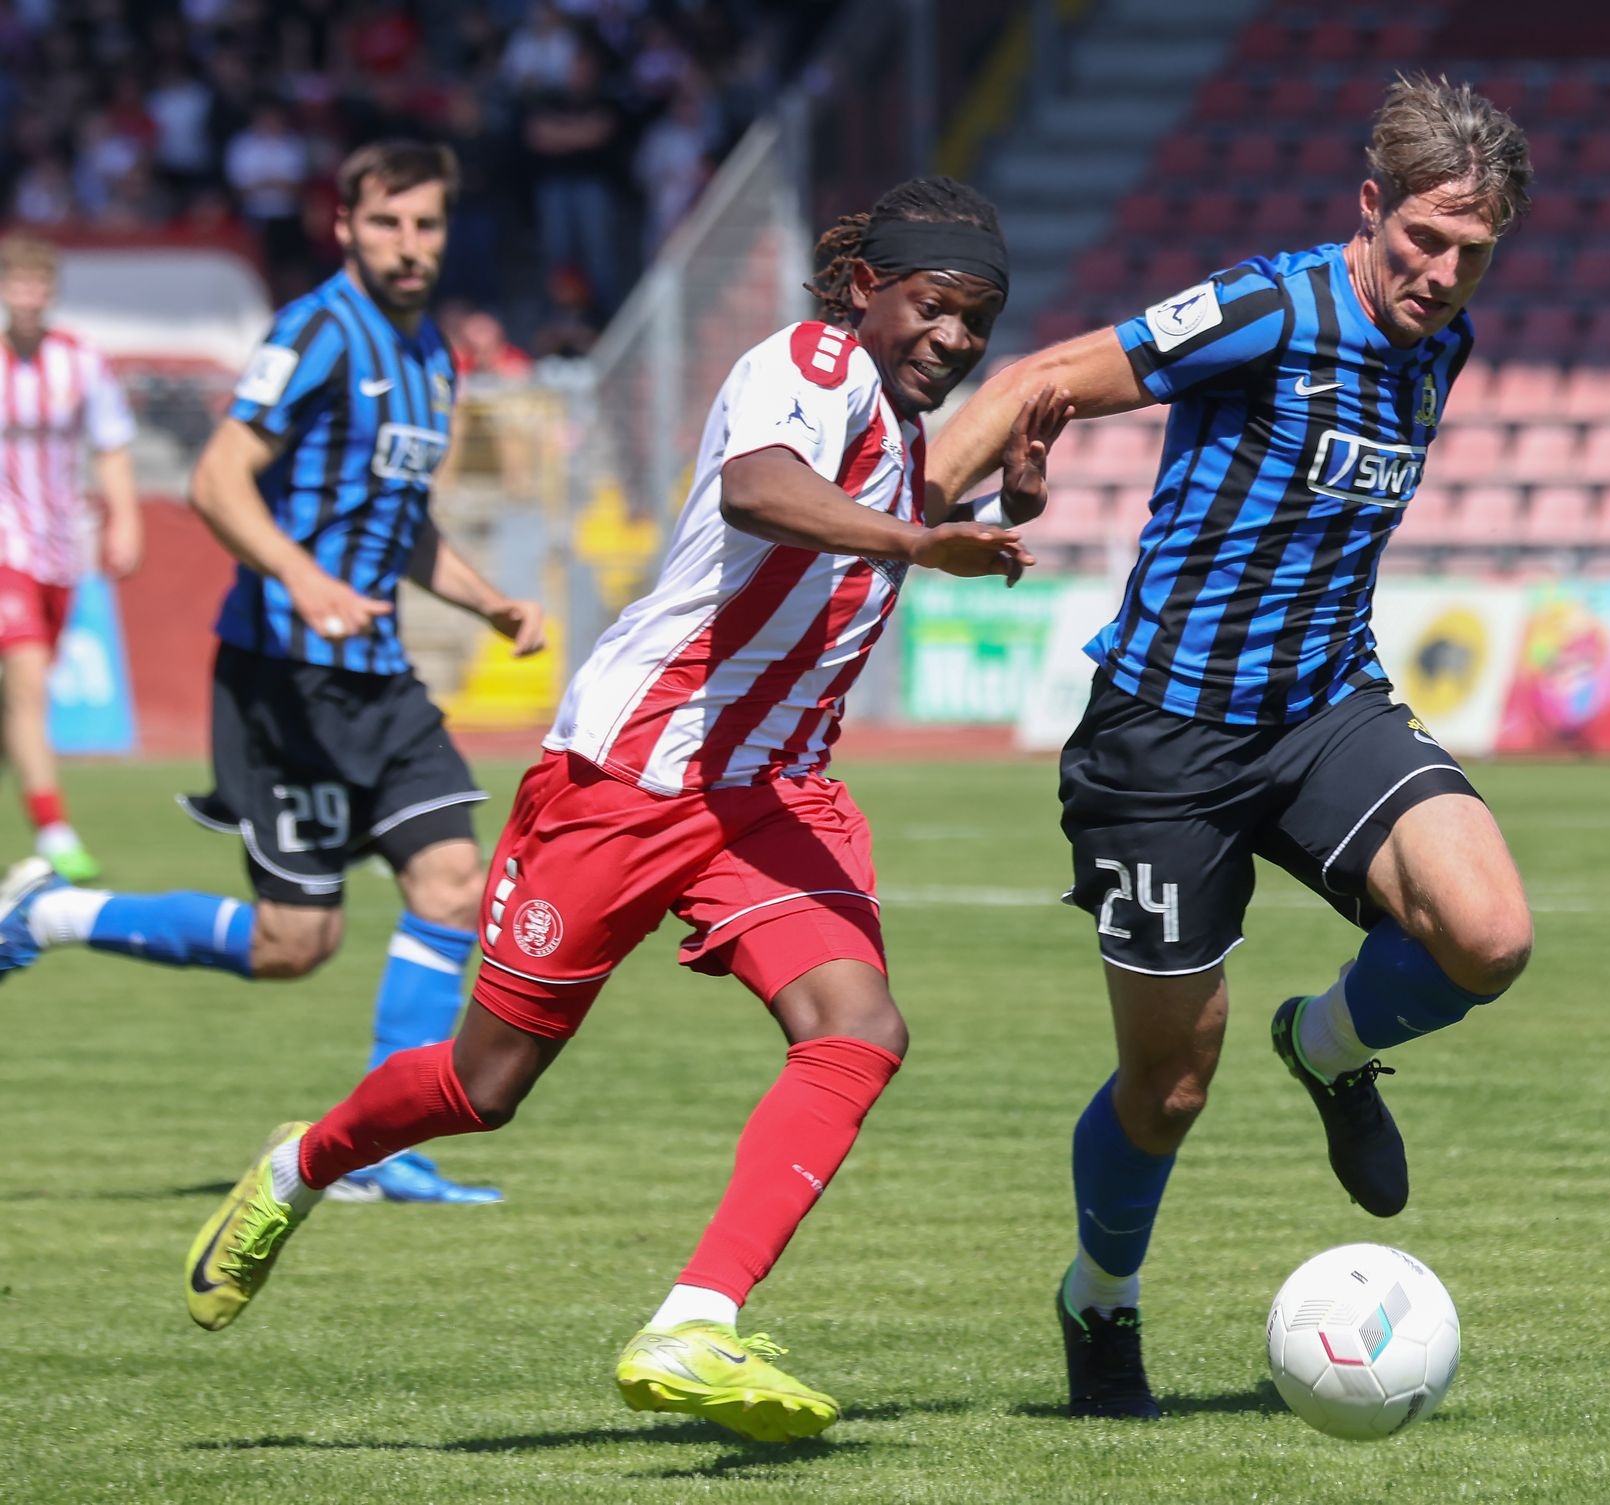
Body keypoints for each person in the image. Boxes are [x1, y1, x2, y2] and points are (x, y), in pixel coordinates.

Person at [178, 176, 1067, 1443]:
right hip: (633, 777)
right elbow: (761, 489)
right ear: (868, 287)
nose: (955, 337)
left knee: (859, 1027)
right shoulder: (805, 362)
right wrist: (921, 543)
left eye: (977, 319)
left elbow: (878, 516)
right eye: (936, 305)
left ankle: (694, 1319)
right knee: (485, 1083)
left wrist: (998, 507)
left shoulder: (887, 415)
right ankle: (297, 1165)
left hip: (770, 792)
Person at [927, 75, 1537, 1419]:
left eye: (1472, 253)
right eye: (1424, 239)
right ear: (1370, 207)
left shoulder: (1446, 345)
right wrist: (913, 519)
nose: (1442, 275)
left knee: (1489, 935)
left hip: (1324, 706)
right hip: (1165, 738)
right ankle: (1100, 1296)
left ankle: (1325, 1044)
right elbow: (1040, 377)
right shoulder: (1269, 306)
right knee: (1170, 1085)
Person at [0, 140, 545, 1206]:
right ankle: (54, 913)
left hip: (377, 675)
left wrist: (488, 601)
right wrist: (302, 577)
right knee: (295, 943)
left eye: (426, 224)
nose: (408, 245)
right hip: (280, 674)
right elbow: (217, 479)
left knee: (452, 883)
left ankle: (378, 1148)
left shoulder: (434, 355)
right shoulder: (315, 332)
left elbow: (400, 520)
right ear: (344, 227)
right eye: (385, 223)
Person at [0, 232, 143, 882]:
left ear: (51, 293)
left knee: (25, 694)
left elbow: (111, 445)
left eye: (38, 285)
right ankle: (55, 830)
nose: (28, 297)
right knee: (26, 678)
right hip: (7, 546)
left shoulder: (81, 361)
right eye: (17, 284)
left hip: (62, 547)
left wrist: (126, 519)